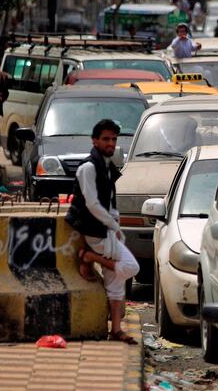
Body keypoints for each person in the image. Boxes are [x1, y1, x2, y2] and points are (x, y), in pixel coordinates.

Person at [66, 119, 139, 344]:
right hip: (95, 231)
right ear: (95, 140)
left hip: (106, 229)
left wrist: (114, 222)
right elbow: (92, 204)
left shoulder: (107, 166)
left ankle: (115, 330)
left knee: (116, 281)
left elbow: (108, 202)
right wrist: (113, 225)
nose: (110, 143)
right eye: (106, 139)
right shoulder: (88, 167)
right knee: (130, 267)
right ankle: (90, 257)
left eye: (114, 139)